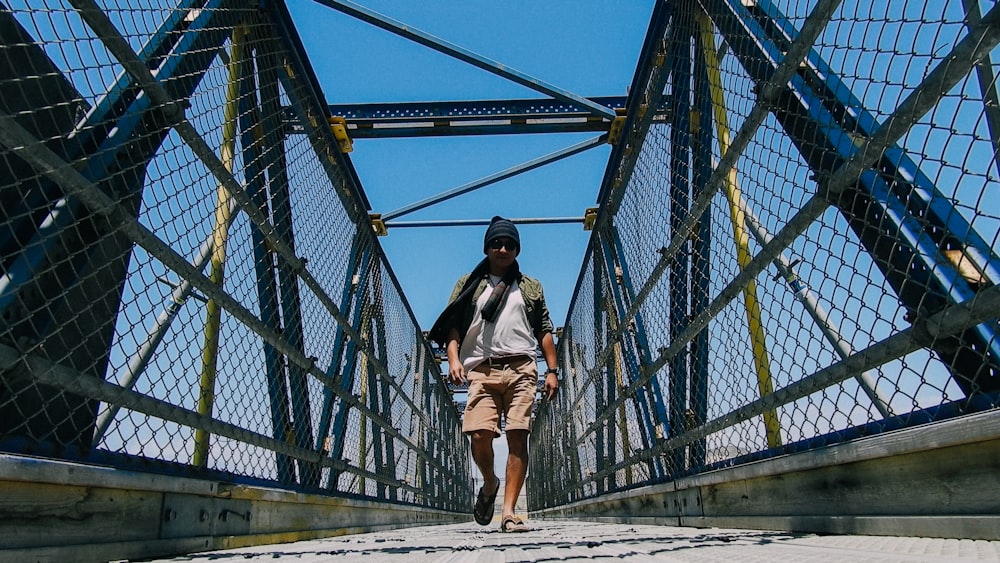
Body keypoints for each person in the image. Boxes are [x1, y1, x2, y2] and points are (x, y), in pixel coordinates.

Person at [428, 216, 559, 533]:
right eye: (496, 243)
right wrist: (453, 359)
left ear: (517, 249)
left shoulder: (530, 286)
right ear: (486, 247)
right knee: (479, 434)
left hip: (521, 368)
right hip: (481, 370)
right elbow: (453, 325)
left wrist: (552, 370)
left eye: (509, 244)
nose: (503, 249)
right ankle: (489, 482)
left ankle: (509, 512)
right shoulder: (469, 284)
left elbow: (543, 330)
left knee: (518, 436)